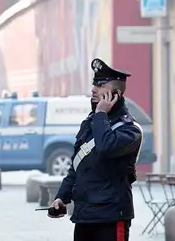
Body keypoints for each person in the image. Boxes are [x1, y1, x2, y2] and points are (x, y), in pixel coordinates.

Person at [48, 58, 143, 241]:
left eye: (100, 85)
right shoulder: (91, 123)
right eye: (94, 84)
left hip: (111, 217)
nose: (93, 89)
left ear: (115, 93)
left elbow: (106, 147)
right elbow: (77, 165)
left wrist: (101, 114)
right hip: (85, 216)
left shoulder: (129, 130)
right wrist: (62, 197)